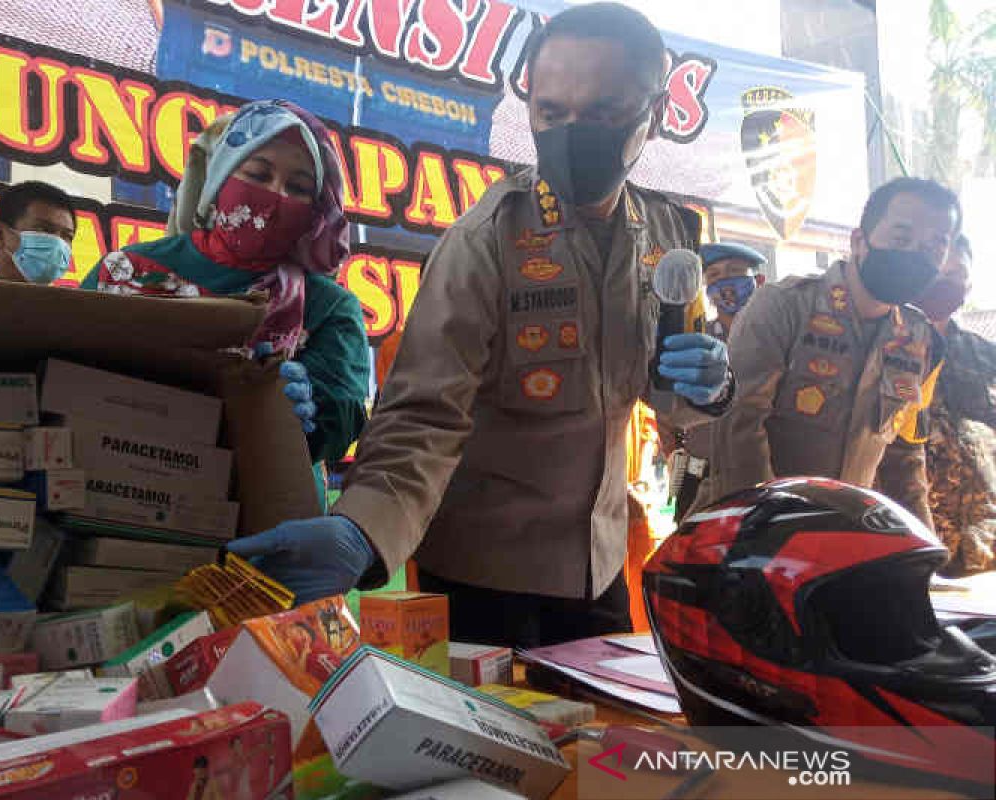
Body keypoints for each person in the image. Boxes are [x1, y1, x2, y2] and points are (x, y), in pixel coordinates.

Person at [228, 3, 733, 649]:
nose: (574, 133)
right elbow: (423, 411)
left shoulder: (668, 234)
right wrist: (362, 525)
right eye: (552, 113)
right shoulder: (488, 238)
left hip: (601, 565)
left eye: (604, 113)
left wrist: (707, 388)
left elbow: (666, 398)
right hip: (486, 574)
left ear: (655, 114)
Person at [83, 100, 369, 499]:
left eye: (298, 188)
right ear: (218, 176)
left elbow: (339, 425)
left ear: (315, 211)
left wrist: (301, 415)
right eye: (258, 174)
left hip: (261, 512)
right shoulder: (127, 270)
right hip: (118, 497)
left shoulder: (327, 305)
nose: (275, 195)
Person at [694, 177, 959, 519]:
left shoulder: (916, 339)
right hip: (746, 529)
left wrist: (924, 553)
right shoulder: (784, 306)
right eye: (901, 238)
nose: (915, 255)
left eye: (934, 247)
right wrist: (773, 530)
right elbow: (738, 429)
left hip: (841, 540)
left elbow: (905, 458)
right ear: (859, 241)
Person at [912, 235, 996, 572]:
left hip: (986, 547)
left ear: (970, 282)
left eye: (957, 273)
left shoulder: (986, 356)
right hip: (915, 544)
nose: (946, 282)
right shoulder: (882, 350)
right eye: (938, 271)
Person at [668, 242, 767, 519]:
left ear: (758, 281)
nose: (724, 282)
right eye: (714, 276)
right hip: (698, 478)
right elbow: (668, 410)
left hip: (756, 481)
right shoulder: (697, 342)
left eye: (735, 271)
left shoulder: (775, 340)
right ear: (707, 292)